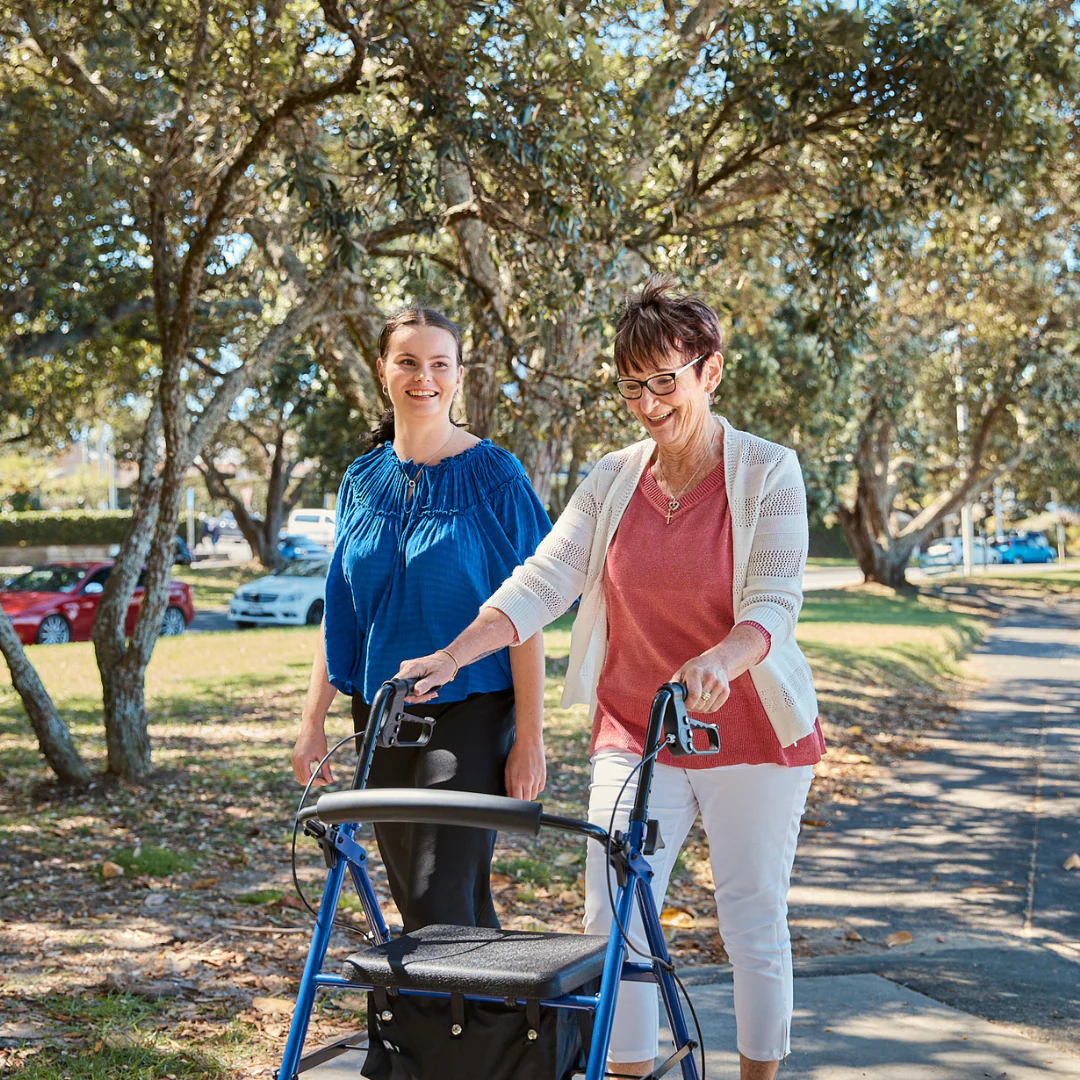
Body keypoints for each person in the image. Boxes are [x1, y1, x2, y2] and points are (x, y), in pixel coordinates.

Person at [395, 278, 825, 1080]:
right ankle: (625, 1070)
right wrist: (455, 653)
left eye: (666, 380)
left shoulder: (768, 471)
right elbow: (541, 579)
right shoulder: (614, 477)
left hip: (751, 732)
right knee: (611, 913)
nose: (650, 402)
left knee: (750, 917)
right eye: (633, 385)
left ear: (710, 372)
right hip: (635, 726)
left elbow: (773, 601)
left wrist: (719, 662)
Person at [290, 305, 550, 934]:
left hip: (473, 711)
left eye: (439, 363)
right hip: (381, 716)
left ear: (458, 376)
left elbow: (530, 613)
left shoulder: (497, 478)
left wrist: (531, 740)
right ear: (384, 371)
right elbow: (344, 613)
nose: (423, 376)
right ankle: (488, 1028)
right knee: (426, 905)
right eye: (408, 362)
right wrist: (311, 723)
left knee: (439, 895)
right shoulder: (361, 479)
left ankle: (457, 1027)